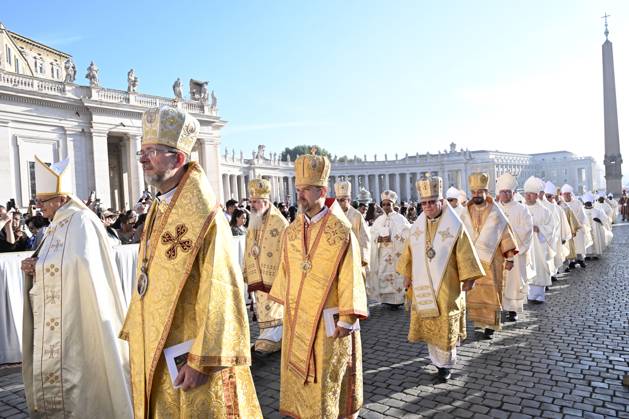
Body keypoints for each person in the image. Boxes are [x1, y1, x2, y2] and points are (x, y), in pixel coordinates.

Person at [120, 106, 261, 418]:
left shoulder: (206, 217)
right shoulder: (160, 206)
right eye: (142, 151)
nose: (142, 158)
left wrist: (202, 359)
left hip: (190, 355)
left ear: (178, 159)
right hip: (155, 342)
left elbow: (222, 290)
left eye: (152, 151)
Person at [20, 156, 132, 418]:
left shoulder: (82, 220)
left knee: (82, 374)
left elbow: (82, 263)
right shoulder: (56, 223)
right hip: (64, 307)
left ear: (61, 198)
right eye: (38, 202)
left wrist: (39, 267)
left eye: (43, 202)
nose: (39, 207)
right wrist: (34, 263)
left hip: (79, 313)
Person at [269, 149, 368, 418]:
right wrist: (280, 307)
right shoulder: (291, 231)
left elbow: (351, 275)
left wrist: (347, 318)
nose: (299, 194)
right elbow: (286, 271)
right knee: (300, 375)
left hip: (329, 319)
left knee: (328, 374)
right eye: (298, 188)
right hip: (297, 314)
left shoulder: (341, 230)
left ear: (322, 190)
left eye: (307, 189)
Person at [397, 175, 484, 381]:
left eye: (431, 202)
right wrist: (407, 275)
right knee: (429, 322)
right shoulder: (417, 226)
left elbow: (465, 253)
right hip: (423, 284)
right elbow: (409, 253)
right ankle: (436, 361)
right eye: (424, 203)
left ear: (440, 202)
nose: (427, 206)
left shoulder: (454, 226)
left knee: (444, 320)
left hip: (448, 284)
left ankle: (445, 365)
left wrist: (469, 278)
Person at [460, 173, 518, 339]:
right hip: (472, 260)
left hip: (492, 259)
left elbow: (505, 234)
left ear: (486, 191)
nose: (477, 195)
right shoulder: (465, 211)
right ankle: (479, 322)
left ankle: (491, 325)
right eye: (474, 192)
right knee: (475, 292)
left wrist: (510, 257)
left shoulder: (495, 212)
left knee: (492, 293)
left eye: (480, 192)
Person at [243, 178, 288, 356]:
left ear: (265, 201)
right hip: (258, 273)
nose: (252, 205)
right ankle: (265, 335)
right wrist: (246, 269)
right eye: (251, 202)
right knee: (262, 307)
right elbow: (248, 246)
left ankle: (276, 336)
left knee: (274, 307)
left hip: (274, 275)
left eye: (255, 202)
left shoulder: (280, 222)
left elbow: (286, 251)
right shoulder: (254, 219)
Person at [496, 173, 533, 321]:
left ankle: (513, 309)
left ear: (513, 193)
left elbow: (527, 230)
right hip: (498, 253)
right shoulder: (495, 209)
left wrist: (509, 235)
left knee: (513, 281)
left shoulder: (522, 209)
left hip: (515, 253)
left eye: (507, 192)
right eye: (502, 192)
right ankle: (498, 307)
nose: (505, 194)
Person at [368, 190, 411, 309]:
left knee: (397, 274)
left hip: (396, 252)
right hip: (383, 253)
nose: (386, 207)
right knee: (383, 273)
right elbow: (372, 235)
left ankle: (398, 299)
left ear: (393, 204)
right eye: (384, 204)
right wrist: (379, 238)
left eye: (388, 204)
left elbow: (407, 233)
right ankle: (386, 299)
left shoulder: (400, 219)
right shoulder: (379, 220)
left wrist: (392, 237)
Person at [522, 177, 554, 304]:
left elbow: (551, 227)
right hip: (525, 243)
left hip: (539, 245)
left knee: (539, 267)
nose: (528, 196)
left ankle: (539, 294)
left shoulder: (544, 210)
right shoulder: (520, 208)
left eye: (531, 194)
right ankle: (527, 294)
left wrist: (539, 229)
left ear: (537, 195)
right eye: (527, 194)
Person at [335, 180, 371, 276]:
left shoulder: (356, 215)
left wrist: (363, 258)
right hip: (337, 257)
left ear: (349, 200)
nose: (339, 203)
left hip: (354, 256)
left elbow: (364, 237)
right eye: (337, 200)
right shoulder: (333, 215)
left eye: (342, 200)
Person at [541, 181, 571, 281]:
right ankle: (547, 276)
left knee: (555, 256)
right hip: (543, 238)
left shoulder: (557, 208)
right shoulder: (541, 207)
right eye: (548, 196)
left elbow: (562, 223)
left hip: (555, 237)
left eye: (552, 196)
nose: (550, 199)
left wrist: (563, 237)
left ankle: (553, 274)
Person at [560, 184, 591, 270]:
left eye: (568, 194)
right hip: (567, 229)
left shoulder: (577, 203)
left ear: (571, 194)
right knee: (569, 246)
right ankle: (571, 262)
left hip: (577, 227)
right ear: (562, 195)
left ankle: (581, 259)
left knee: (579, 245)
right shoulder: (562, 205)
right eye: (565, 194)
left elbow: (581, 215)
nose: (567, 195)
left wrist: (575, 224)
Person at [583, 192, 611, 259]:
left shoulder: (597, 210)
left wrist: (598, 220)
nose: (588, 205)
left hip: (596, 229)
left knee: (596, 239)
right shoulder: (582, 210)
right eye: (587, 203)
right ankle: (587, 254)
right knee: (587, 239)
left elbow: (604, 219)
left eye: (589, 203)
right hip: (586, 229)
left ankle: (596, 254)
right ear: (584, 203)